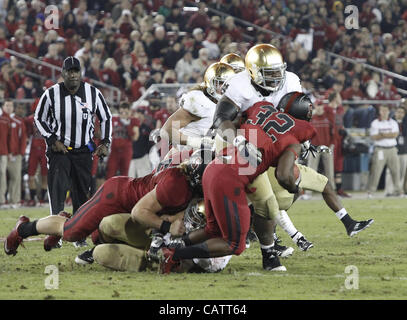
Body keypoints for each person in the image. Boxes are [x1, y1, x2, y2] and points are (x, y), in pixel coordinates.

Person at [158, 93, 317, 274]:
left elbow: (229, 122)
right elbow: (283, 176)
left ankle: (170, 244)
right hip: (230, 179)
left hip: (213, 167)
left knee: (212, 229)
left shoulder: (261, 108)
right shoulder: (296, 137)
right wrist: (295, 188)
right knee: (234, 244)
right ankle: (174, 255)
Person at [3, 148, 208, 258]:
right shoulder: (177, 185)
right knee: (71, 232)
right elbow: (139, 212)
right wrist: (167, 225)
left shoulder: (188, 166)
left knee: (98, 238)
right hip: (118, 197)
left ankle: (69, 220)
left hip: (132, 200)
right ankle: (23, 228)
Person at [34, 56, 112, 248]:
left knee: (82, 195)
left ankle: (78, 235)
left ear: (81, 73)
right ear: (63, 73)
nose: (73, 75)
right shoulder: (51, 94)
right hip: (60, 150)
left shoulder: (93, 93)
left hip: (84, 151)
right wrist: (52, 139)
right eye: (69, 71)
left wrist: (105, 142)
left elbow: (106, 117)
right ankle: (55, 235)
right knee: (58, 190)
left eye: (76, 71)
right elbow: (38, 118)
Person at [367, 105, 402, 198]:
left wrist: (382, 134)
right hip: (380, 149)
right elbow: (374, 137)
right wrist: (388, 135)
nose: (384, 112)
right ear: (379, 112)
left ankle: (398, 191)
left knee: (396, 171)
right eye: (382, 110)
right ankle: (371, 192)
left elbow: (395, 134)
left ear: (389, 111)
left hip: (392, 149)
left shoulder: (393, 122)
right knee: (376, 171)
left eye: (386, 110)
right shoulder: (375, 123)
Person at [305, 99, 336, 198]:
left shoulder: (328, 118)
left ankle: (332, 192)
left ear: (323, 106)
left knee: (329, 171)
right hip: (314, 148)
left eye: (320, 105)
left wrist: (332, 144)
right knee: (311, 170)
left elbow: (334, 132)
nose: (319, 107)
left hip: (326, 147)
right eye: (317, 105)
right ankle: (308, 193)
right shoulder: (311, 119)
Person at [105, 101, 139, 179]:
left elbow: (135, 137)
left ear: (130, 112)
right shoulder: (114, 119)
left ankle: (123, 191)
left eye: (126, 112)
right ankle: (110, 191)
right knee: (110, 173)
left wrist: (128, 125)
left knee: (124, 175)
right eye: (121, 112)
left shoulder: (133, 120)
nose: (123, 114)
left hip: (126, 151)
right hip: (114, 151)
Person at [3, 100, 27, 208]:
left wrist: (21, 153)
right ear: (3, 107)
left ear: (13, 108)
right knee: (2, 177)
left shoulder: (18, 121)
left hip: (15, 154)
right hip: (3, 153)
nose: (8, 107)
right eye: (7, 105)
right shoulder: (3, 119)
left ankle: (15, 200)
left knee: (16, 178)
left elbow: (23, 138)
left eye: (10, 106)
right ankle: (2, 200)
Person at [0, 100, 11, 208]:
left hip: (2, 151)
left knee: (2, 175)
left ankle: (2, 199)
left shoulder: (4, 119)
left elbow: (8, 138)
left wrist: (9, 151)